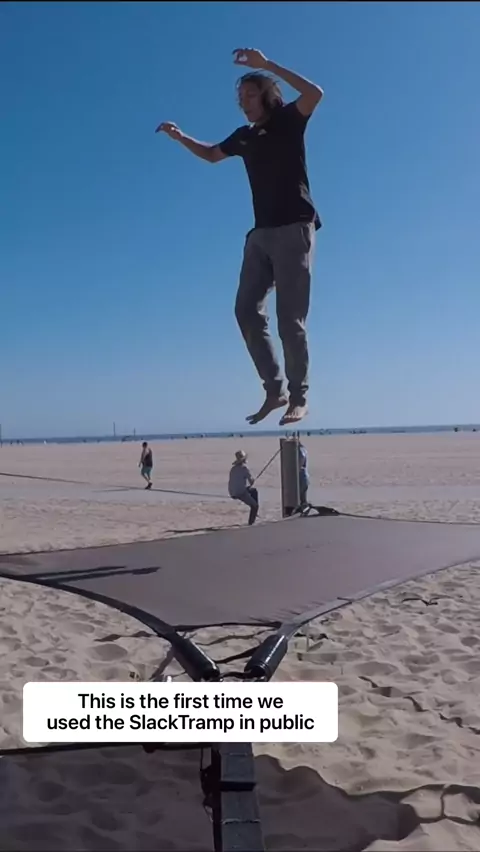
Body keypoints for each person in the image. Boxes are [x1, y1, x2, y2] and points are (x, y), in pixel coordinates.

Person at [156, 48, 323, 427]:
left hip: (294, 227)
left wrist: (267, 65)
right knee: (245, 310)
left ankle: (299, 397)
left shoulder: (287, 120)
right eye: (240, 98)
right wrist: (180, 137)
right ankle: (274, 390)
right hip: (260, 234)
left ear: (266, 94)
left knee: (289, 320)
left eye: (250, 95)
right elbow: (211, 154)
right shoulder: (243, 137)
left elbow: (315, 93)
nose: (243, 102)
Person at [228, 449, 259, 525]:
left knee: (253, 491)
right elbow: (251, 481)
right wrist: (252, 481)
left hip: (232, 492)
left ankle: (254, 512)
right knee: (255, 506)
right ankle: (251, 523)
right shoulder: (244, 468)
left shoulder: (233, 469)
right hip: (241, 492)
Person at [298, 440, 310, 508]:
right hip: (304, 476)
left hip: (302, 477)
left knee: (301, 498)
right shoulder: (303, 449)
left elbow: (302, 458)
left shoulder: (300, 450)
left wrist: (298, 468)